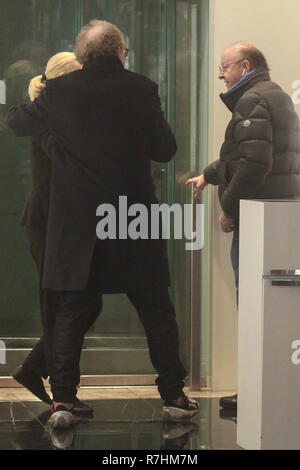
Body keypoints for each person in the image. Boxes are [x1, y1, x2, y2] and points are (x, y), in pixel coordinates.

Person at [7, 20, 199, 426]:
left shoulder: (59, 92)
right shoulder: (142, 88)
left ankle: (63, 400)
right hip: (133, 216)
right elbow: (165, 149)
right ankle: (172, 395)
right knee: (155, 308)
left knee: (72, 309)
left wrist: (44, 94)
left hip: (78, 221)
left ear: (81, 56)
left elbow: (17, 122)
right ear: (120, 52)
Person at [186, 41, 300, 410]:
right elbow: (242, 156)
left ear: (245, 65)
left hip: (258, 216)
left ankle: (255, 389)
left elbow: (254, 165)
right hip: (277, 212)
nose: (221, 74)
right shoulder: (273, 94)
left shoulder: (252, 100)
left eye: (225, 67)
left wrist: (229, 210)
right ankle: (263, 385)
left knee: (253, 303)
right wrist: (208, 175)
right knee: (267, 305)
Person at [11, 52, 92, 414]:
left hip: (62, 220)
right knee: (62, 303)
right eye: (77, 76)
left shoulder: (53, 110)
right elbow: (62, 156)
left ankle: (34, 369)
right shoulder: (47, 114)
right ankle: (54, 384)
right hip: (49, 221)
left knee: (81, 303)